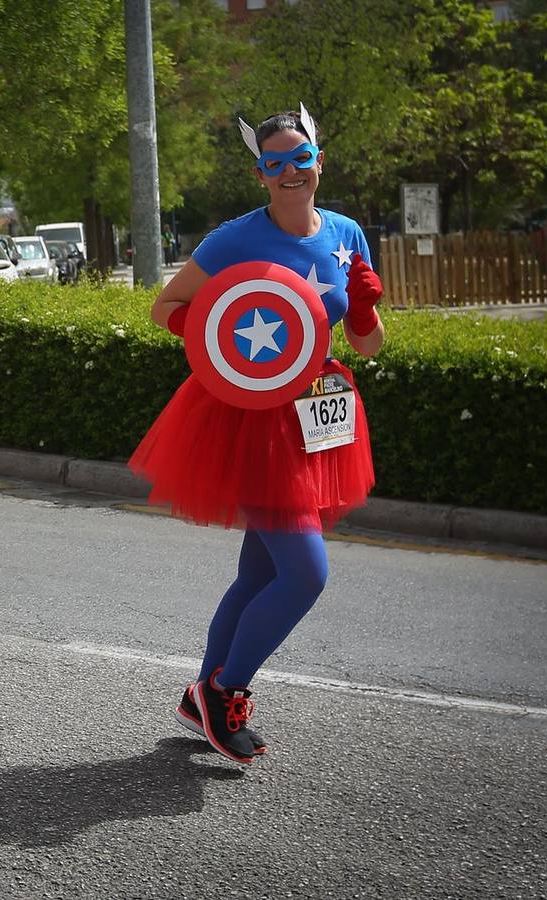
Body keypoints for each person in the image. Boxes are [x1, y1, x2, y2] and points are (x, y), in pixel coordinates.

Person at [129, 106, 385, 765]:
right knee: (305, 573)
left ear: (319, 161)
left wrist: (362, 307)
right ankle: (224, 690)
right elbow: (166, 307)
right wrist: (220, 339)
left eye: (301, 159)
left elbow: (369, 344)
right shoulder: (234, 238)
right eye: (276, 164)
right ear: (260, 174)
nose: (291, 172)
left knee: (261, 571)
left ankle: (199, 699)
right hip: (254, 418)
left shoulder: (348, 233)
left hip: (319, 413)